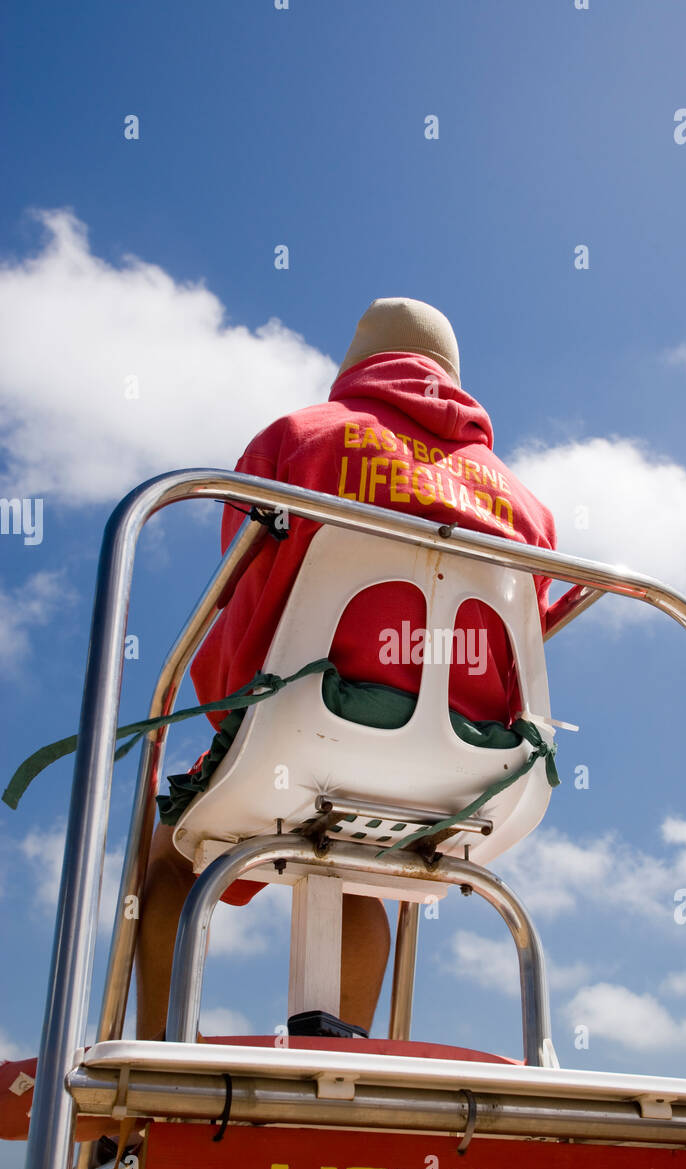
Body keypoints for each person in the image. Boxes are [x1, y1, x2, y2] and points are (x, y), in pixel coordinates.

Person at [136, 298, 557, 1040]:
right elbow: (526, 640)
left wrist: (228, 716)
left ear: (357, 367)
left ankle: (158, 1052)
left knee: (165, 856)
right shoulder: (527, 506)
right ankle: (337, 1060)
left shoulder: (298, 440)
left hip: (302, 733)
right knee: (358, 864)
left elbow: (243, 598)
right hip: (471, 770)